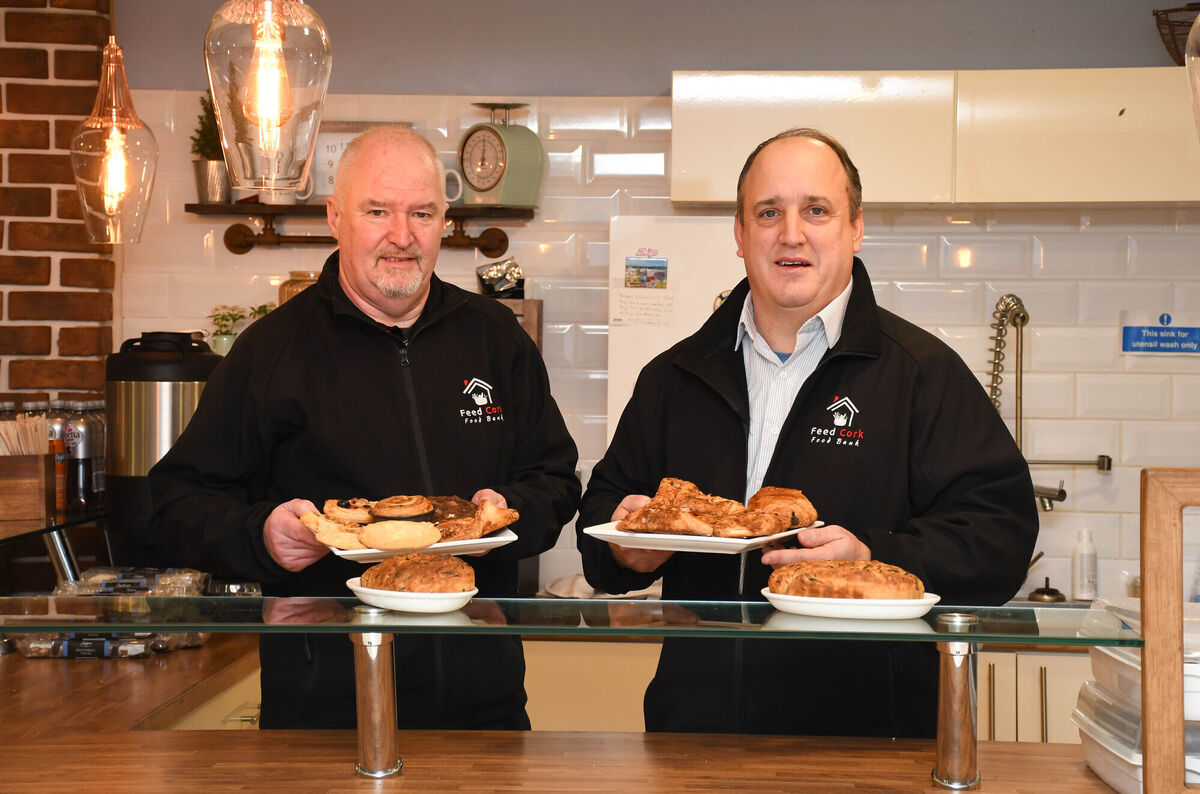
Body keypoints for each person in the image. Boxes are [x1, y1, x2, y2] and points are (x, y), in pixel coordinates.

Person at [576, 128, 1038, 737]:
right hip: (697, 738)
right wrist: (624, 547)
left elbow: (1000, 536)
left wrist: (874, 556)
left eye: (816, 210)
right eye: (769, 212)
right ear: (741, 236)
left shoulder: (922, 374)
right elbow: (602, 526)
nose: (791, 233)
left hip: (870, 745)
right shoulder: (673, 377)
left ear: (855, 228)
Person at [149, 126, 580, 729]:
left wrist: (511, 511)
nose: (401, 236)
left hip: (481, 696)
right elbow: (176, 504)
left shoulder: (495, 338)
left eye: (421, 213)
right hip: (323, 701)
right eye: (378, 210)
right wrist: (261, 534)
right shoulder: (271, 351)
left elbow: (556, 476)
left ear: (442, 220)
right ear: (335, 216)